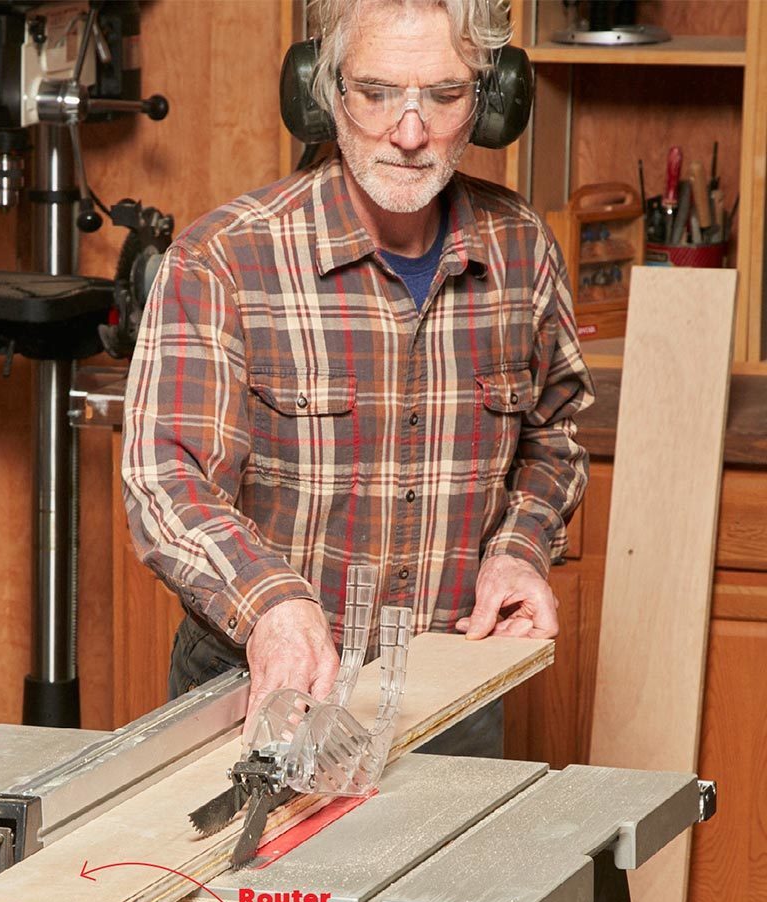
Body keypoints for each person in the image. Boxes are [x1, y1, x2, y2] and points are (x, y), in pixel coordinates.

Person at [122, 0, 594, 751]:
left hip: (449, 696)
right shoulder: (224, 261)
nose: (409, 134)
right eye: (375, 93)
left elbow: (553, 438)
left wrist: (519, 548)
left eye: (444, 95)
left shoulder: (522, 250)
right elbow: (165, 477)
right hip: (263, 690)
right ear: (324, 90)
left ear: (491, 97)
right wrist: (272, 606)